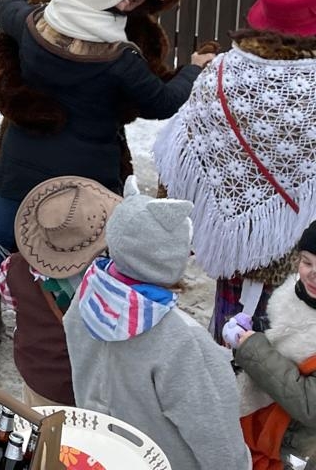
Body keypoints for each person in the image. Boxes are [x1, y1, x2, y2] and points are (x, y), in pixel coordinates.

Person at [0, 0, 204, 356]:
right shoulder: (119, 58)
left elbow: (8, 3)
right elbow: (161, 102)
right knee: (84, 251)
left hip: (23, 159)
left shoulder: (34, 26)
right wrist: (194, 68)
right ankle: (77, 333)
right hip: (86, 173)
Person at [157, 0, 316, 341]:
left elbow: (181, 153)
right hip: (307, 255)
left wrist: (171, 225)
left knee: (234, 340)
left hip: (237, 249)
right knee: (297, 351)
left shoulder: (220, 71)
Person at [64, 178, 248, 470]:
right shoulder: (181, 340)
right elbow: (218, 441)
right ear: (170, 255)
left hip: (98, 454)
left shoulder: (86, 300)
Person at [0, 175, 120, 408]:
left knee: (36, 421)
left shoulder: (11, 268)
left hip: (36, 373)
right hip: (87, 387)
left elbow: (12, 303)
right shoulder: (107, 280)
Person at [230, 220, 316, 470]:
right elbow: (282, 337)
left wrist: (252, 349)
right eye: (307, 262)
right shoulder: (293, 293)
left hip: (296, 450)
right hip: (261, 430)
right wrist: (251, 331)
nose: (312, 274)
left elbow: (309, 404)